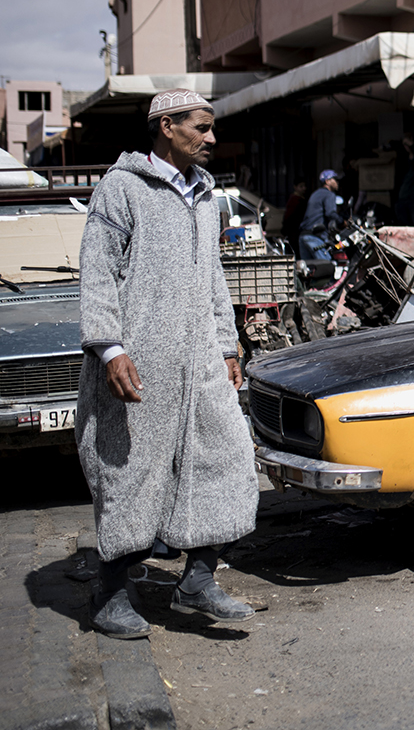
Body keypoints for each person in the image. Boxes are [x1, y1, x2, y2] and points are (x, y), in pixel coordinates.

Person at [77, 88, 259, 639]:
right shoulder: (122, 188)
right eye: (199, 127)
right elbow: (98, 271)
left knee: (225, 460)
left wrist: (227, 346)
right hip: (137, 363)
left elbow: (214, 280)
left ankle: (198, 580)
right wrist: (110, 347)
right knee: (130, 474)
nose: (210, 138)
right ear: (166, 127)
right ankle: (110, 593)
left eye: (210, 127)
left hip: (200, 359)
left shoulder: (204, 194)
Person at [298, 169, 342, 260]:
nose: (337, 182)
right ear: (327, 181)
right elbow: (330, 213)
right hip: (314, 237)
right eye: (335, 180)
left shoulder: (315, 193)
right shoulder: (329, 194)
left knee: (309, 270)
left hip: (303, 236)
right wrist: (343, 222)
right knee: (327, 267)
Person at [281, 178, 309, 252]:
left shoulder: (301, 199)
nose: (304, 188)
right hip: (294, 230)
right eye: (301, 186)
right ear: (295, 187)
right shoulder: (294, 200)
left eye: (304, 186)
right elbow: (288, 215)